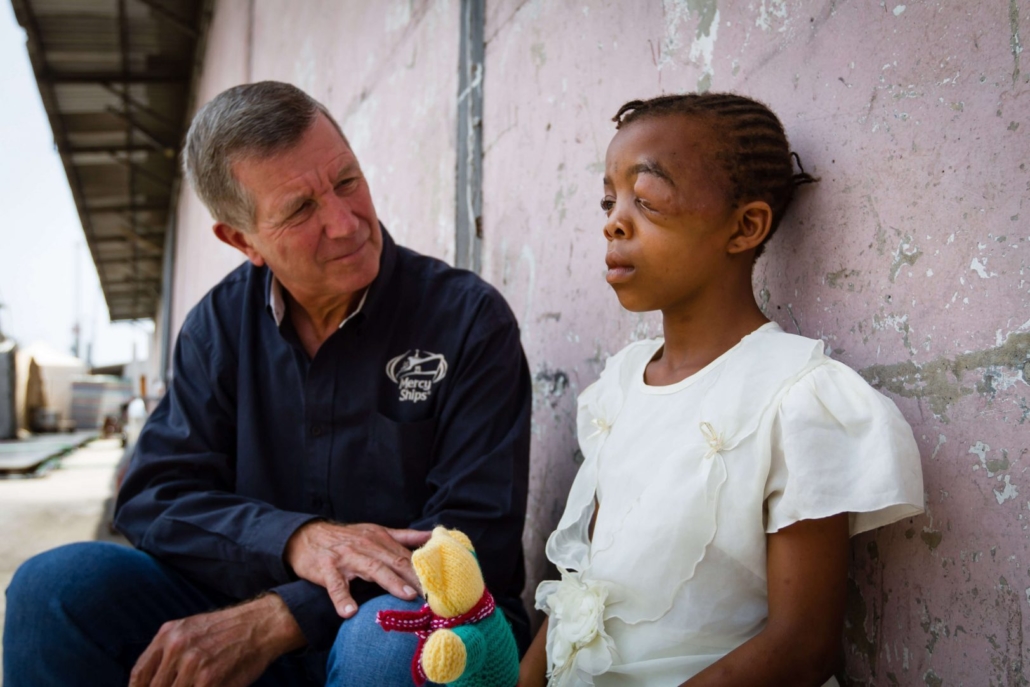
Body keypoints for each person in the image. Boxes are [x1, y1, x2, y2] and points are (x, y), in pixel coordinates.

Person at [3, 81, 531, 687]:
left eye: (348, 181)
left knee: (389, 642)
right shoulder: (216, 329)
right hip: (249, 620)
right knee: (54, 589)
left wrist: (286, 614)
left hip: (412, 633)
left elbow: (474, 537)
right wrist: (293, 540)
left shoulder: (468, 320)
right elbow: (154, 495)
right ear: (240, 239)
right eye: (301, 209)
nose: (345, 222)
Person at [518, 93, 924, 687]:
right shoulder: (620, 387)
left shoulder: (793, 397)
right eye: (609, 200)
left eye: (647, 199)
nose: (614, 220)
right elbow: (584, 592)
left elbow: (802, 648)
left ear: (745, 227)